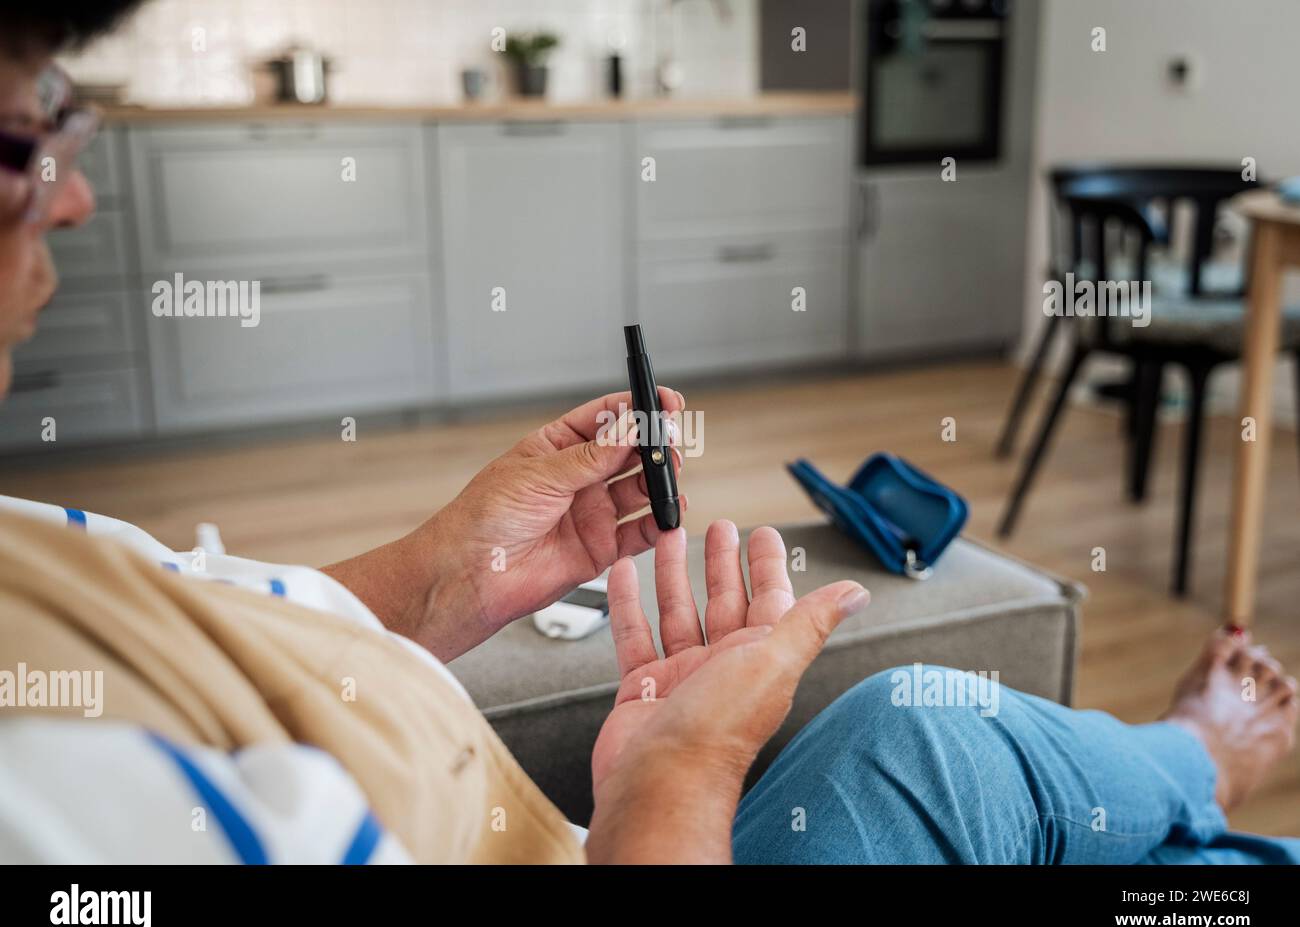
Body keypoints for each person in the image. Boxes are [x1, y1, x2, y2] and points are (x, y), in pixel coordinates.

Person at [0, 3, 1296, 865]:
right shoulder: (60, 809)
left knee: (927, 735)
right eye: (24, 137)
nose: (71, 195)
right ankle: (1196, 760)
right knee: (935, 737)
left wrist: (453, 571)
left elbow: (213, 628)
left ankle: (1185, 792)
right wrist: (678, 769)